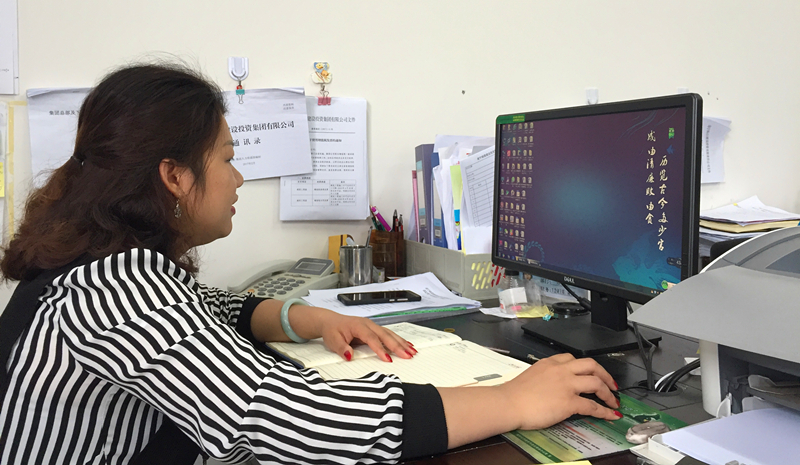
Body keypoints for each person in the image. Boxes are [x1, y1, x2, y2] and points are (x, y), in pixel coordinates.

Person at [0, 62, 621, 465]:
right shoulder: (110, 288)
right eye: (226, 158)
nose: (239, 178)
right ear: (175, 177)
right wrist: (514, 400)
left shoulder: (104, 264)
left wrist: (306, 318)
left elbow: (200, 310)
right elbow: (284, 419)